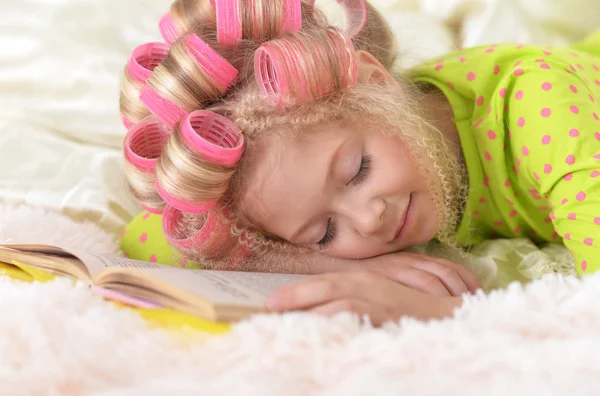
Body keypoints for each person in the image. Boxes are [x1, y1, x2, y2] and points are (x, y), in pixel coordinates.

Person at [118, 0, 600, 325]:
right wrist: (322, 266)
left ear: (377, 83)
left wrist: (442, 312)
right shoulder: (361, 145)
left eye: (358, 171)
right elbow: (147, 238)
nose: (370, 220)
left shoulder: (539, 110)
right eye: (324, 231)